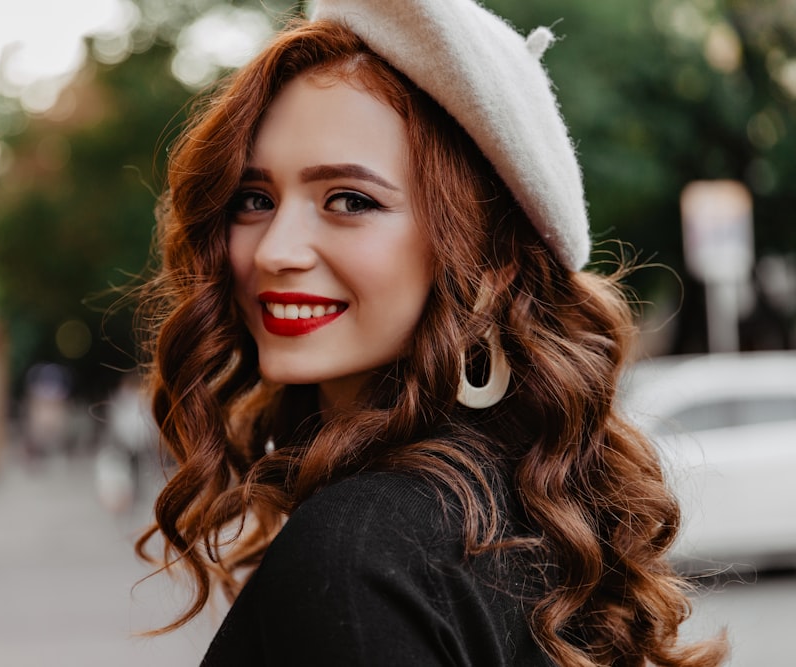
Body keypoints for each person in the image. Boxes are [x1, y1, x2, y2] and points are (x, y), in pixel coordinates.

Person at [135, 0, 728, 664]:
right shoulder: (521, 507)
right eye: (255, 198)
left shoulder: (360, 548)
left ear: (482, 254)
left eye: (350, 200)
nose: (276, 250)